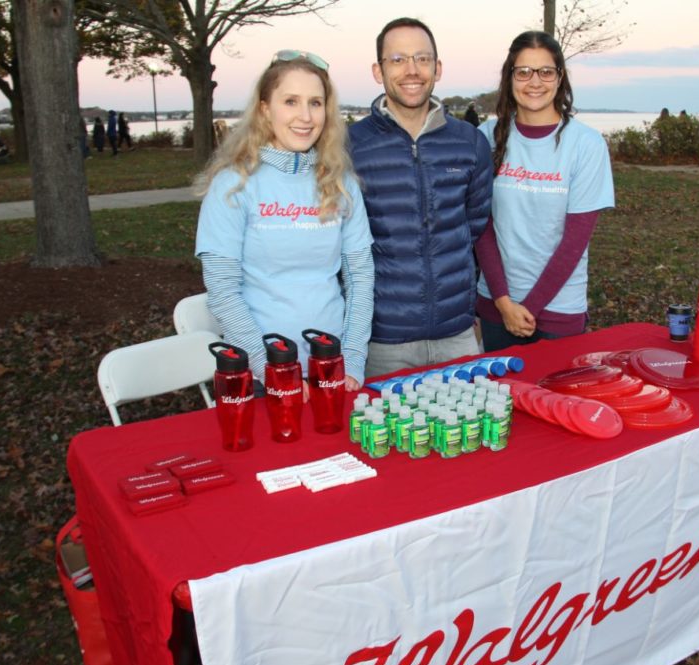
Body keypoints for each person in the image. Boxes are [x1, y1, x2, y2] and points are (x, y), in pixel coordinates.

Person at [194, 50, 375, 392]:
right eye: (290, 101)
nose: (305, 116)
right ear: (265, 109)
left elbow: (360, 276)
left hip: (332, 367)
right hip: (259, 374)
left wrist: (351, 358)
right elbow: (222, 292)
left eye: (316, 103)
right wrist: (274, 371)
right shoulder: (233, 184)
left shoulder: (342, 182)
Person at [348, 17, 493, 379]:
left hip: (456, 334)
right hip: (382, 341)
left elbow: (473, 224)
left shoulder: (470, 142)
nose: (411, 70)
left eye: (422, 59)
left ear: (438, 68)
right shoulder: (348, 146)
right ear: (377, 70)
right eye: (397, 59)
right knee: (386, 438)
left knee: (470, 434)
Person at [474, 31, 614, 352]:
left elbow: (575, 240)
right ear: (509, 77)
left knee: (557, 402)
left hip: (559, 310)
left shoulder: (586, 145)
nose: (534, 82)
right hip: (496, 302)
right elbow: (482, 227)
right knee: (500, 400)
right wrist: (504, 302)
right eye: (523, 72)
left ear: (560, 77)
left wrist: (530, 307)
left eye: (545, 72)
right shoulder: (485, 137)